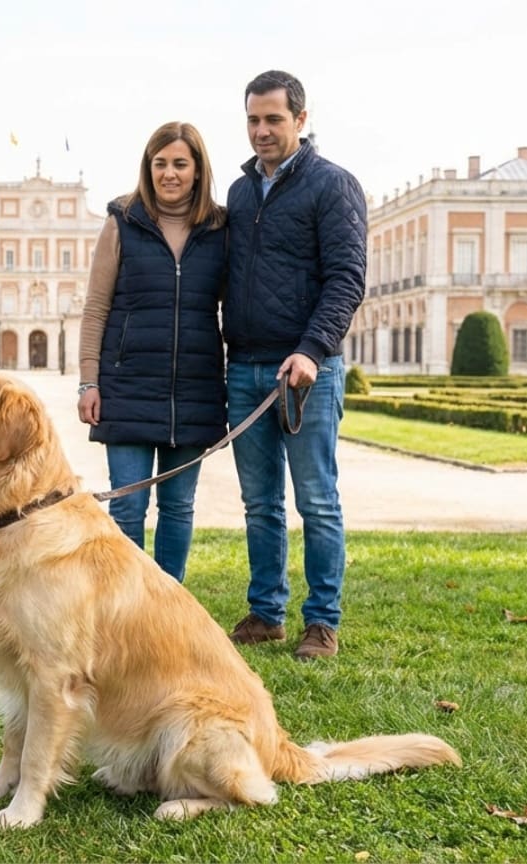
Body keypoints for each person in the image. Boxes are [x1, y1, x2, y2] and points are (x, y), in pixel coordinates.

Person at [223, 70, 367, 660]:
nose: (261, 131)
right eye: (254, 120)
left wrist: (311, 349)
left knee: (317, 500)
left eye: (273, 120)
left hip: (308, 370)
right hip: (246, 368)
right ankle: (266, 612)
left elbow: (346, 279)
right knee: (260, 504)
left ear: (300, 121)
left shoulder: (333, 185)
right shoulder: (237, 192)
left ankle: (322, 621)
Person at [76, 121, 228, 583]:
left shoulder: (221, 229)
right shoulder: (122, 221)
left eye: (180, 163)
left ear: (198, 171)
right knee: (127, 506)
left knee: (179, 509)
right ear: (148, 168)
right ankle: (124, 608)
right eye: (159, 163)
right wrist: (89, 380)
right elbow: (96, 308)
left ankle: (170, 607)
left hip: (196, 389)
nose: (169, 173)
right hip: (127, 387)